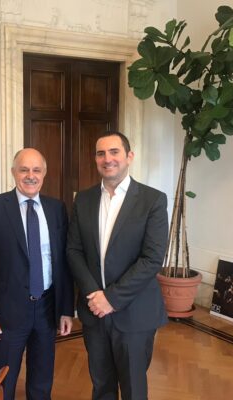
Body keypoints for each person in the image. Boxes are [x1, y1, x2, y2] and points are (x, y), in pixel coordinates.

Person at [67, 131, 169, 400]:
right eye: (101, 153)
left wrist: (111, 298)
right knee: (101, 387)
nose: (107, 159)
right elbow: (74, 250)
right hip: (94, 311)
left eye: (114, 152)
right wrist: (94, 295)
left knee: (134, 390)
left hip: (134, 312)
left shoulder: (153, 200)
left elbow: (152, 259)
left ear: (129, 156)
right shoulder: (83, 199)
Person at [0, 148, 74, 400]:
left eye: (36, 170)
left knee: (42, 381)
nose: (30, 175)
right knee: (3, 383)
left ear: (44, 173)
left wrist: (66, 309)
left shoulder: (56, 208)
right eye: (24, 169)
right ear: (13, 172)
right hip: (6, 314)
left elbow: (63, 263)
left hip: (47, 310)